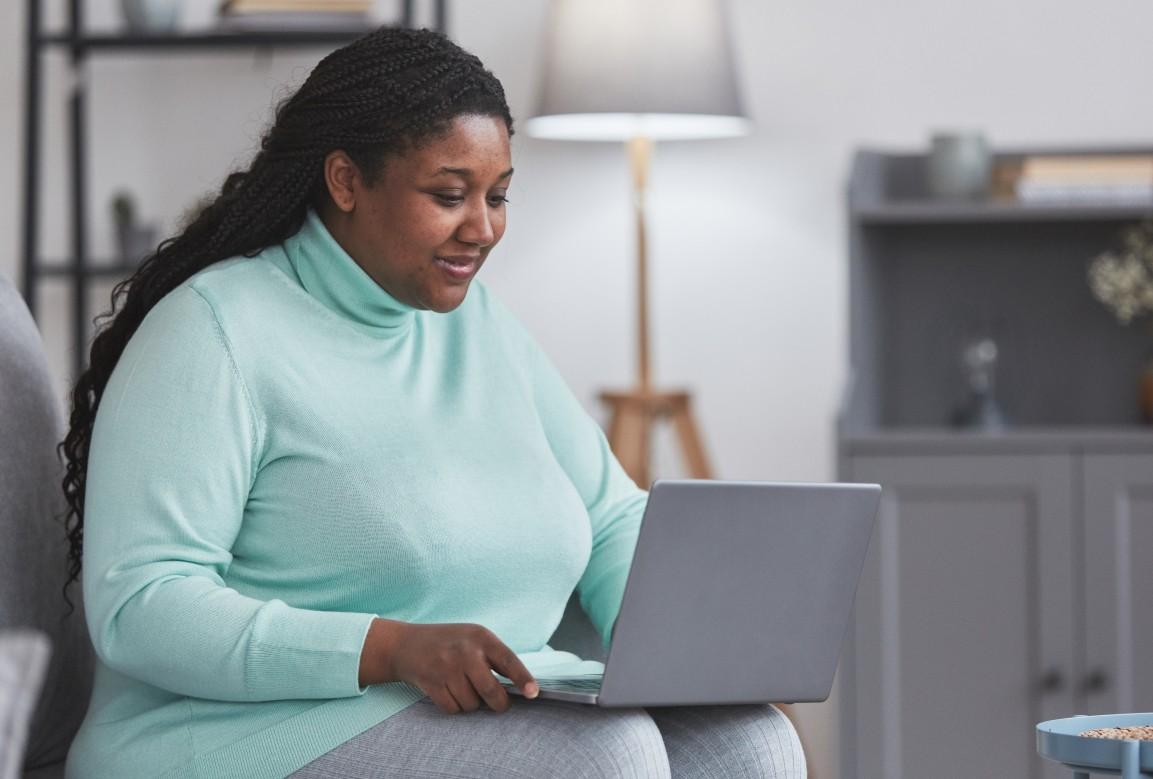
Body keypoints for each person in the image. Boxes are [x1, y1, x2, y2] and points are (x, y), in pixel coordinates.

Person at [59, 27, 805, 779]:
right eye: (448, 195)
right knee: (604, 757)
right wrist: (390, 648)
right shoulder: (213, 330)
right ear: (346, 181)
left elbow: (608, 513)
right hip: (243, 735)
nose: (481, 229)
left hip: (482, 708)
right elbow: (141, 605)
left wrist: (684, 644)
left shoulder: (477, 323)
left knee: (747, 741)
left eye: (498, 195)